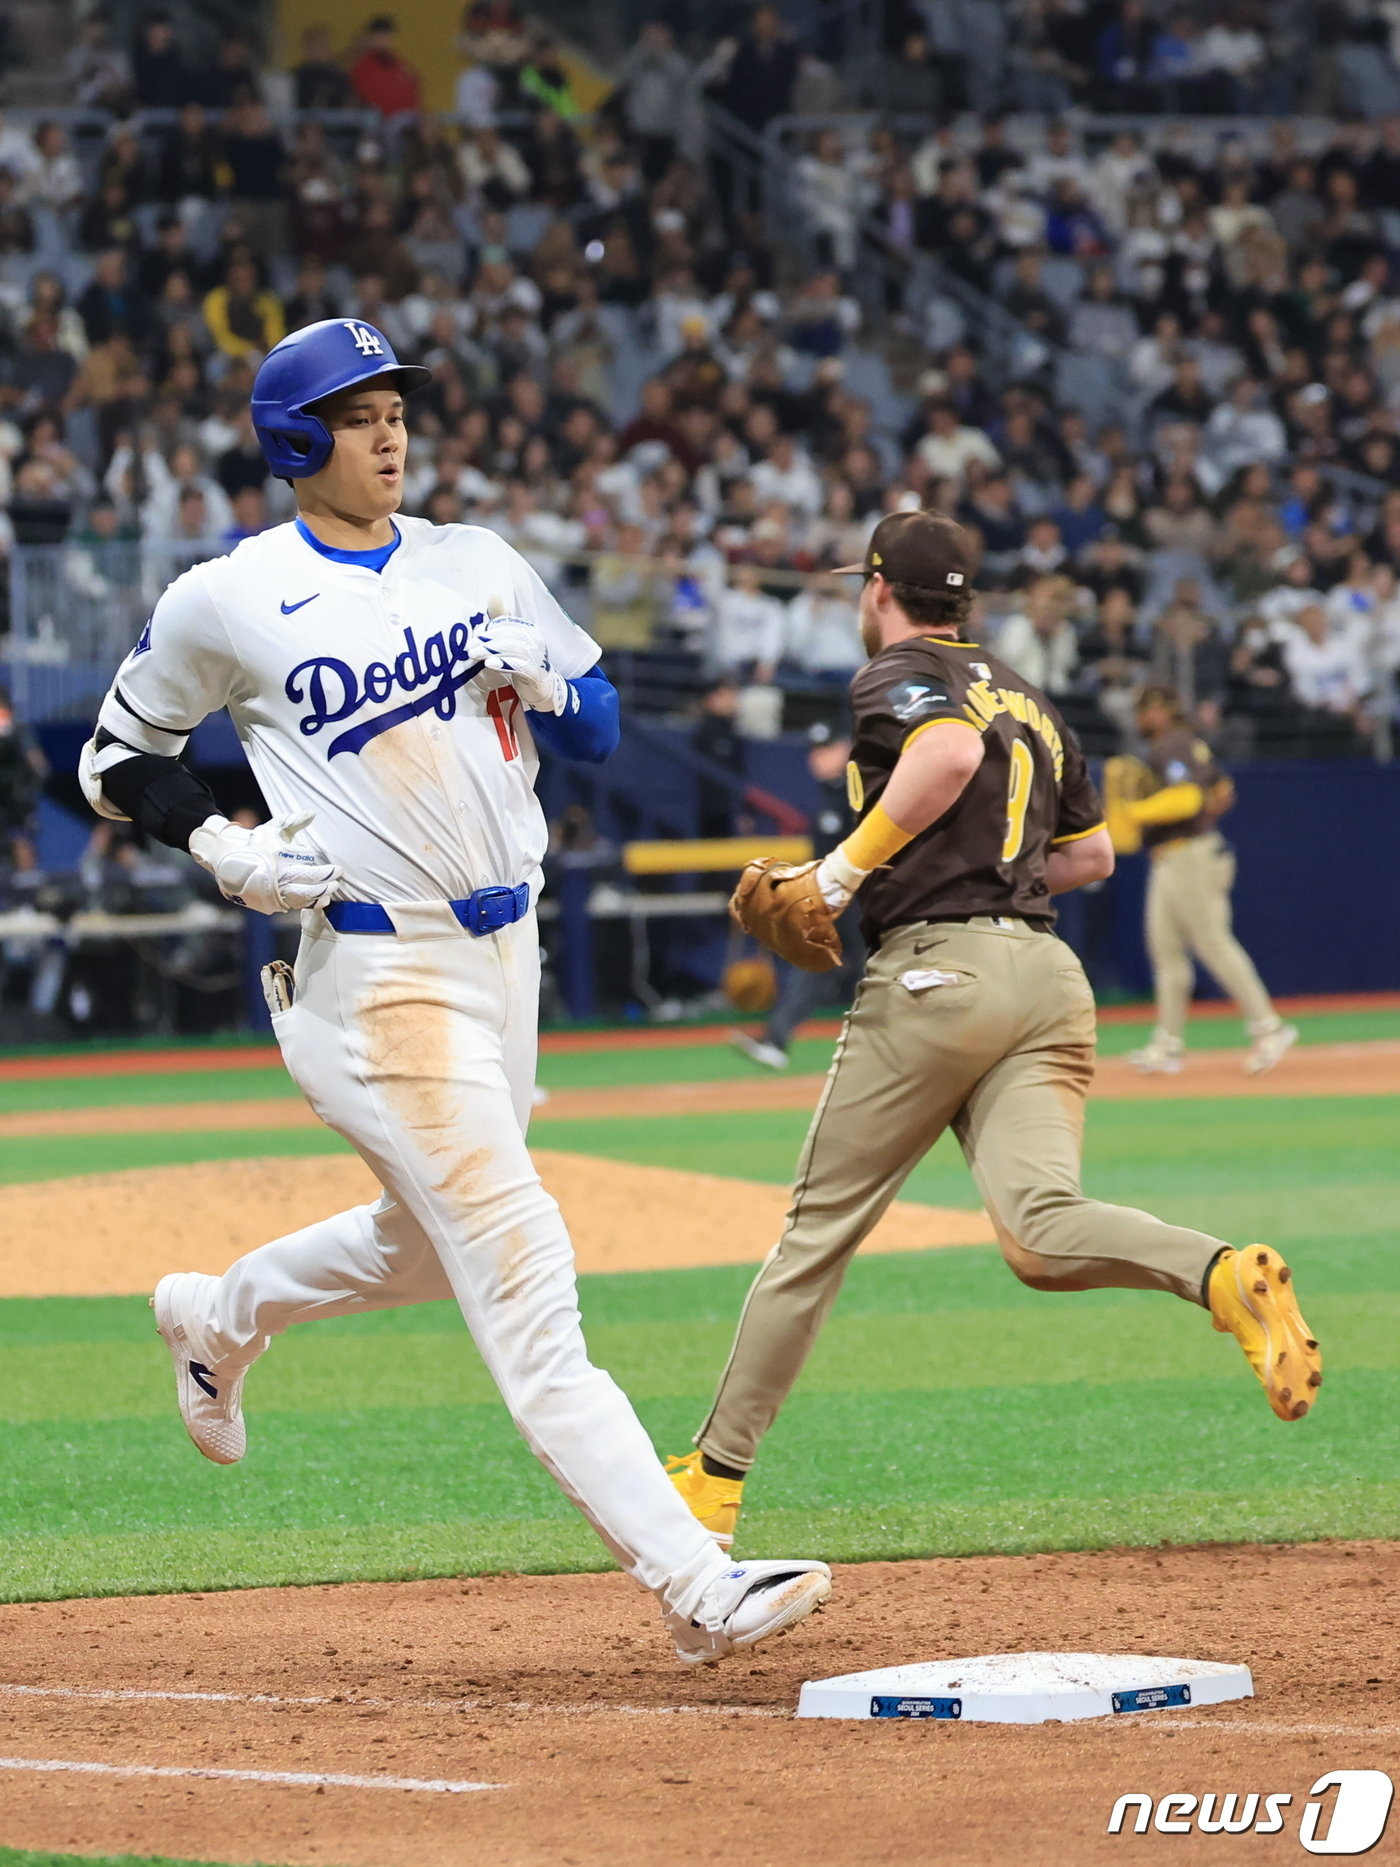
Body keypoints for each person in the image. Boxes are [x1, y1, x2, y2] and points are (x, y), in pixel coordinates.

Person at [80, 318, 830, 1665]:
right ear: (296, 439)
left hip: (505, 957)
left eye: (396, 409)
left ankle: (215, 1315)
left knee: (423, 1247)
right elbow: (117, 757)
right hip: (373, 970)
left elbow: (598, 727)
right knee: (526, 1261)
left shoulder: (473, 559)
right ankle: (694, 1581)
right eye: (359, 413)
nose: (390, 433)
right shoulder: (230, 595)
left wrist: (548, 682)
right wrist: (220, 841)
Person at [666, 512, 1321, 1547]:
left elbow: (945, 750)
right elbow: (1092, 855)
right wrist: (957, 871)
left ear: (879, 590)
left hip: (939, 976)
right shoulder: (1030, 694)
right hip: (1046, 978)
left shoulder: (898, 673)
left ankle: (712, 1475)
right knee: (1038, 1231)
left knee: (814, 1236)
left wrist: (839, 876)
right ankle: (1218, 1272)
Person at [1113, 685, 1298, 1076]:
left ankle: (1269, 1027)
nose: (1140, 718)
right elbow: (1222, 791)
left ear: (1160, 710)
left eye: (1144, 711)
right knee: (1166, 951)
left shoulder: (1173, 743)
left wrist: (1135, 811)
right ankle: (1168, 1044)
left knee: (1211, 942)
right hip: (1176, 853)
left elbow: (1187, 800)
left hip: (1189, 854)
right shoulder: (1187, 743)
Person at [732, 720, 864, 1070]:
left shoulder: (860, 791)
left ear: (845, 749)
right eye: (814, 752)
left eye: (827, 749)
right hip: (841, 901)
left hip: (866, 901)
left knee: (879, 972)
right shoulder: (830, 795)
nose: (818, 759)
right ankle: (776, 1038)